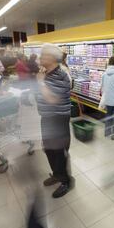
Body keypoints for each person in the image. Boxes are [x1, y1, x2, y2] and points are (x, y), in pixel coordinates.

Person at [36, 43, 73, 198]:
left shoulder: (62, 75)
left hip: (58, 119)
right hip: (47, 118)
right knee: (49, 148)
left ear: (51, 58)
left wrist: (39, 82)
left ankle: (66, 181)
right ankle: (57, 174)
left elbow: (52, 99)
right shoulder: (47, 74)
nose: (40, 57)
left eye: (43, 55)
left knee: (59, 151)